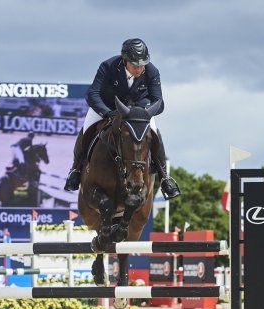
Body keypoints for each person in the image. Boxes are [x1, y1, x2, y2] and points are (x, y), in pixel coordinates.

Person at [63, 38, 181, 199]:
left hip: (138, 112)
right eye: (135, 65)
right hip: (108, 107)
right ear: (125, 60)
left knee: (154, 132)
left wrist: (143, 112)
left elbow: (159, 102)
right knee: (87, 129)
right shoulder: (108, 66)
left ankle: (165, 177)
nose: (139, 68)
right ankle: (76, 169)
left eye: (142, 64)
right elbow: (93, 94)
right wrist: (106, 112)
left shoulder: (152, 71)